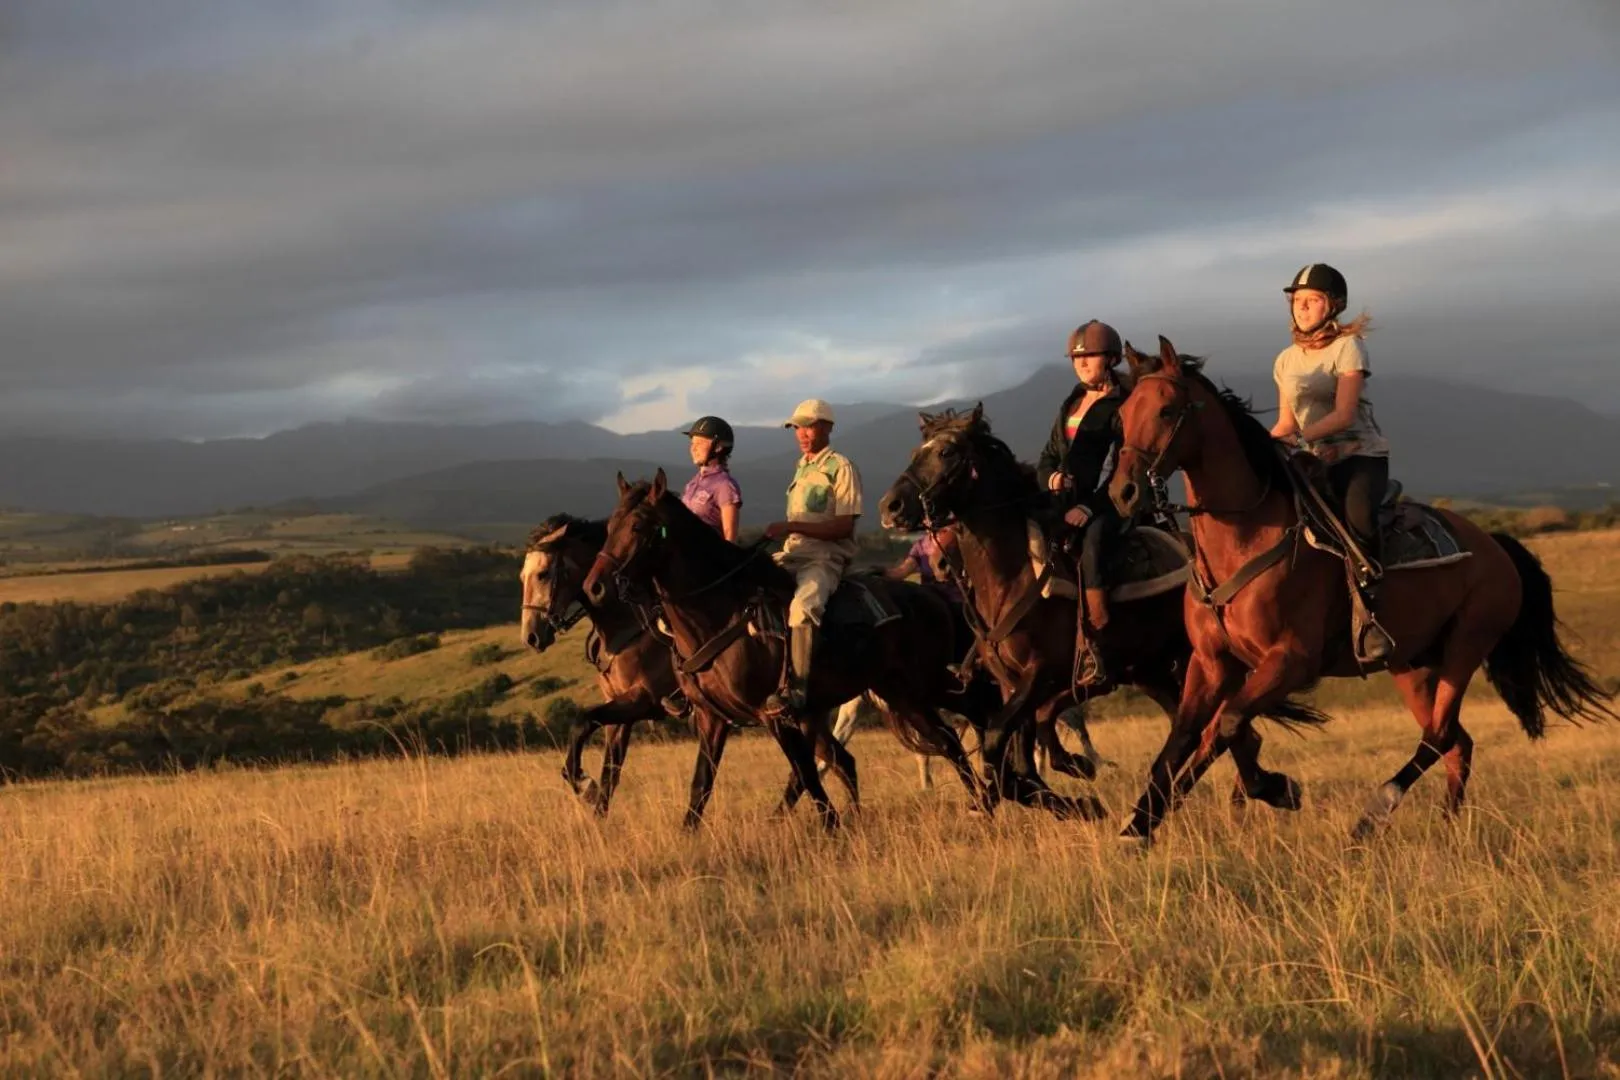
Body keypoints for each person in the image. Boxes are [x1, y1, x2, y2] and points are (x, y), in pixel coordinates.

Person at [1268, 262, 1393, 662]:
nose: (1302, 308)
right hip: (1309, 462)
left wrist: (1301, 439)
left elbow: (1344, 414)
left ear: (1333, 305)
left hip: (1358, 457)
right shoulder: (1285, 360)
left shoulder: (1348, 348)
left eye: (1312, 301)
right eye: (1297, 301)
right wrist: (1257, 444)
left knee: (1356, 520)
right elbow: (1286, 423)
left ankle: (1371, 616)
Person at [1036, 319, 1128, 685]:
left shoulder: (1124, 404)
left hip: (1109, 504)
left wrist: (1090, 507)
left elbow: (1121, 468)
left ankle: (1095, 642)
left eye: (1090, 355)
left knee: (1092, 544)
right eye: (1077, 358)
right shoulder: (1072, 400)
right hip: (1062, 500)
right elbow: (1047, 456)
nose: (1082, 363)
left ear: (1111, 359)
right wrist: (1051, 478)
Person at [761, 398, 864, 718]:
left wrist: (790, 525)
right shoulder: (802, 466)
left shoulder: (841, 466)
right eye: (797, 427)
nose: (802, 433)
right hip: (793, 553)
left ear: (827, 428)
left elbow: (844, 526)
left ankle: (798, 691)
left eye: (809, 426)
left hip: (824, 557)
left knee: (803, 609)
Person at [680, 415, 743, 541]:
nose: (693, 448)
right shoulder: (692, 483)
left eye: (699, 443)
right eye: (692, 443)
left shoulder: (724, 485)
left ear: (718, 447)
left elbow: (729, 535)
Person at [887, 524, 962, 604]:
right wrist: (880, 574)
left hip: (956, 600)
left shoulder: (955, 538)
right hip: (930, 599)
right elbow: (901, 571)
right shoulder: (920, 546)